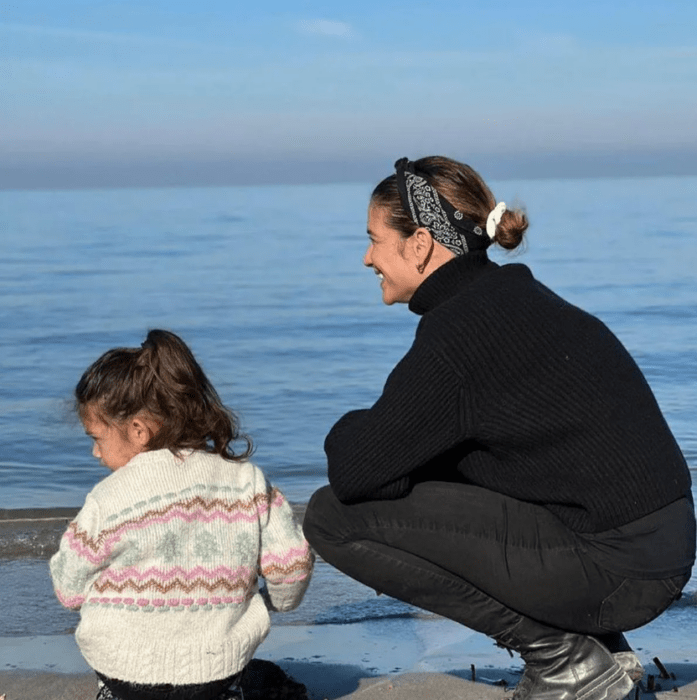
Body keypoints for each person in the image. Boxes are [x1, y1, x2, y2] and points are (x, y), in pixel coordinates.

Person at [303, 156, 695, 700]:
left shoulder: (462, 333)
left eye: (374, 240)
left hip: (622, 570)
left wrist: (346, 428)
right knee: (438, 463)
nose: (367, 257)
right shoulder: (512, 298)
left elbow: (354, 472)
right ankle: (602, 648)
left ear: (419, 244)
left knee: (331, 517)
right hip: (652, 552)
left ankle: (562, 658)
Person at [50, 329, 314, 700]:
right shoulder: (247, 482)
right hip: (215, 669)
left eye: (97, 438)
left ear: (138, 431)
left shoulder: (110, 497)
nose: (96, 453)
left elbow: (67, 588)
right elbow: (292, 566)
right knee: (255, 680)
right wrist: (273, 604)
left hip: (126, 672)